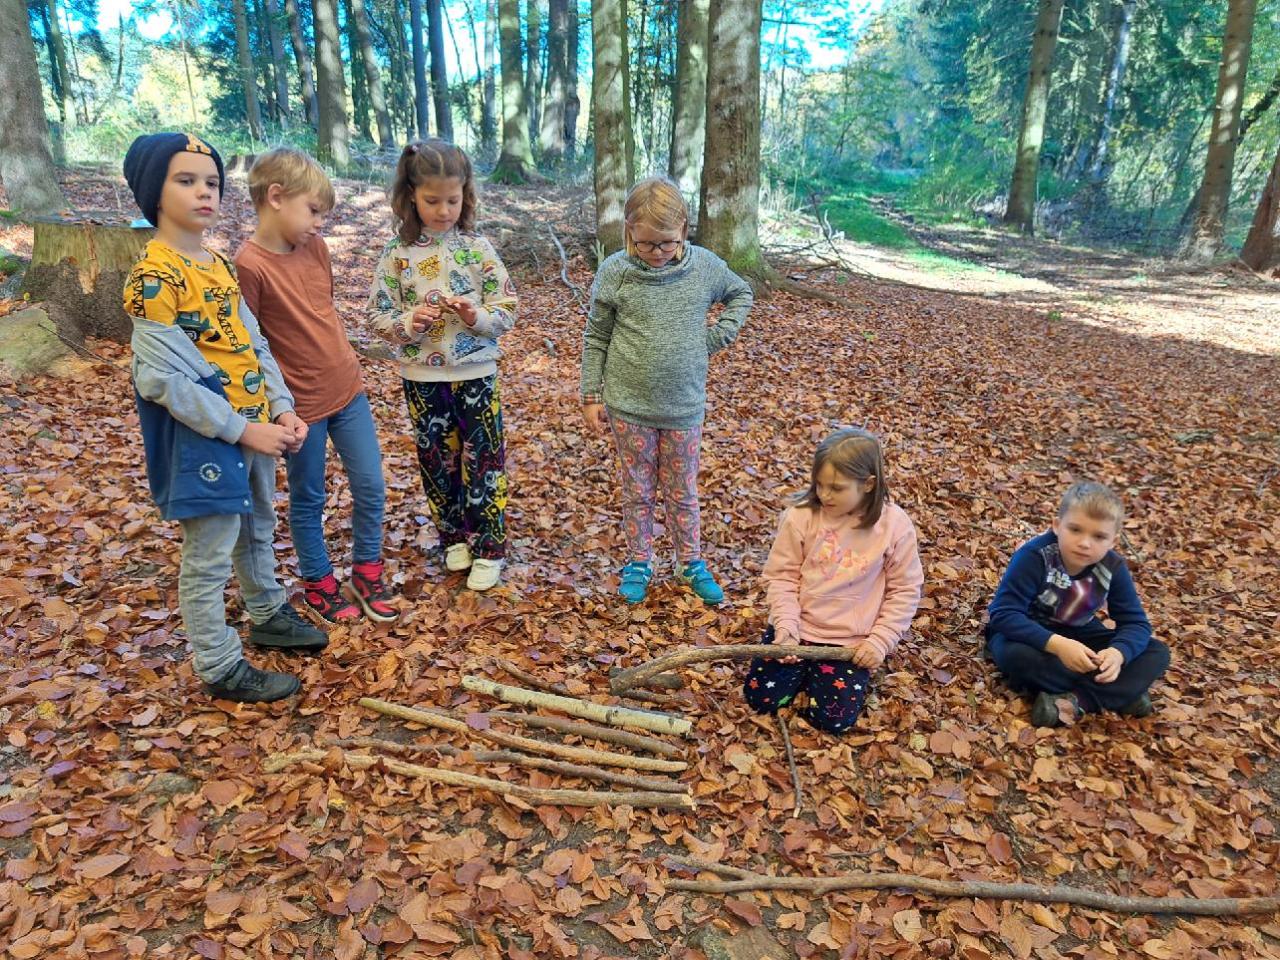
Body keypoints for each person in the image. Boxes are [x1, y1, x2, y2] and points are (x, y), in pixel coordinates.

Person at [122, 132, 326, 703]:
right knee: (210, 553)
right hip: (204, 440)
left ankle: (266, 611)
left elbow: (252, 342)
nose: (204, 192)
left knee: (257, 523)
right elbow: (161, 379)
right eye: (185, 181)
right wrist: (241, 428)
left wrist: (280, 406)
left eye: (211, 182)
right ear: (154, 192)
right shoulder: (153, 278)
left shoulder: (215, 264)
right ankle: (218, 664)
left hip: (255, 426)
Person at [234, 147, 397, 625]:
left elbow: (322, 312)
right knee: (308, 497)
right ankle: (318, 581)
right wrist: (276, 405)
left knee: (371, 485)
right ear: (276, 197)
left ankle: (367, 572)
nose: (320, 223)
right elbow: (252, 343)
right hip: (300, 407)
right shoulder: (249, 265)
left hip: (348, 388)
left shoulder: (316, 248)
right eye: (313, 210)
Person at [580, 176, 753, 606]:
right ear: (629, 233)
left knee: (682, 490)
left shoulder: (704, 267)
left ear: (684, 230)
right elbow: (596, 336)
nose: (657, 252)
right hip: (628, 407)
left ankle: (689, 561)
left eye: (667, 243)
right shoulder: (616, 271)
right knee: (637, 489)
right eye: (645, 244)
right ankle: (639, 561)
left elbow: (741, 293)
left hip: (683, 407)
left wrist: (716, 337)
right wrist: (590, 395)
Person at [368, 140, 517, 592]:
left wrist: (478, 318)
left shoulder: (478, 247)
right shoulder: (396, 254)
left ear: (465, 195)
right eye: (432, 200)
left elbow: (507, 307)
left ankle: (489, 546)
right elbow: (377, 316)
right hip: (422, 378)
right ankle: (453, 537)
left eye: (453, 200)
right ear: (410, 195)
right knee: (437, 460)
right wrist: (408, 323)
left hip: (477, 373)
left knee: (484, 459)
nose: (444, 210)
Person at [743, 428, 923, 734]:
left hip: (850, 642)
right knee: (761, 699)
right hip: (797, 629)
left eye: (837, 488)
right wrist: (786, 628)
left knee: (833, 720)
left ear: (868, 484)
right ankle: (802, 674)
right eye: (820, 485)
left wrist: (879, 641)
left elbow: (905, 589)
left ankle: (818, 679)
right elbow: (782, 577)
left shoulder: (894, 526)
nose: (825, 495)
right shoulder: (801, 517)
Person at [985, 481, 1171, 727]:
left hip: (1080, 631)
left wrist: (1118, 653)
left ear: (1113, 541)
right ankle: (1122, 694)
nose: (1085, 543)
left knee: (1157, 652)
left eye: (1099, 536)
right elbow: (1003, 614)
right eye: (1075, 530)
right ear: (1057, 525)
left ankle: (1079, 701)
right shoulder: (1035, 556)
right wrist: (1059, 645)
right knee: (1017, 657)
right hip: (1028, 633)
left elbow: (1136, 623)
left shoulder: (1113, 567)